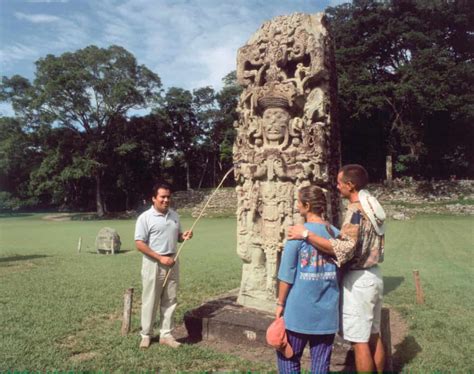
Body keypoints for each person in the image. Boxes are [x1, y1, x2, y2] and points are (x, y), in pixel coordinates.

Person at [288, 164, 386, 373]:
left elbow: (346, 248)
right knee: (374, 336)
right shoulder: (372, 206)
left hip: (359, 280)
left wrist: (307, 235)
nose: (337, 186)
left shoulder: (356, 211)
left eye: (340, 183)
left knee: (359, 341)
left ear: (350, 185)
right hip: (374, 275)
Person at [275, 185, 340, 373]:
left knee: (288, 357)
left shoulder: (297, 234)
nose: (297, 206)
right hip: (327, 311)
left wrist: (280, 304)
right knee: (321, 364)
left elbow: (286, 276)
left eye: (299, 202)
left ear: (307, 205)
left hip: (299, 312)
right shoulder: (335, 234)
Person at [134, 181, 193, 349]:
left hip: (173, 262)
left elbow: (178, 236)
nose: (166, 200)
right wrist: (160, 258)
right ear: (154, 198)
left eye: (168, 197)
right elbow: (139, 243)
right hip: (154, 263)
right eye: (162, 197)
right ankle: (146, 334)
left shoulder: (174, 215)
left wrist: (184, 236)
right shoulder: (145, 218)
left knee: (170, 300)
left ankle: (166, 334)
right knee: (150, 300)